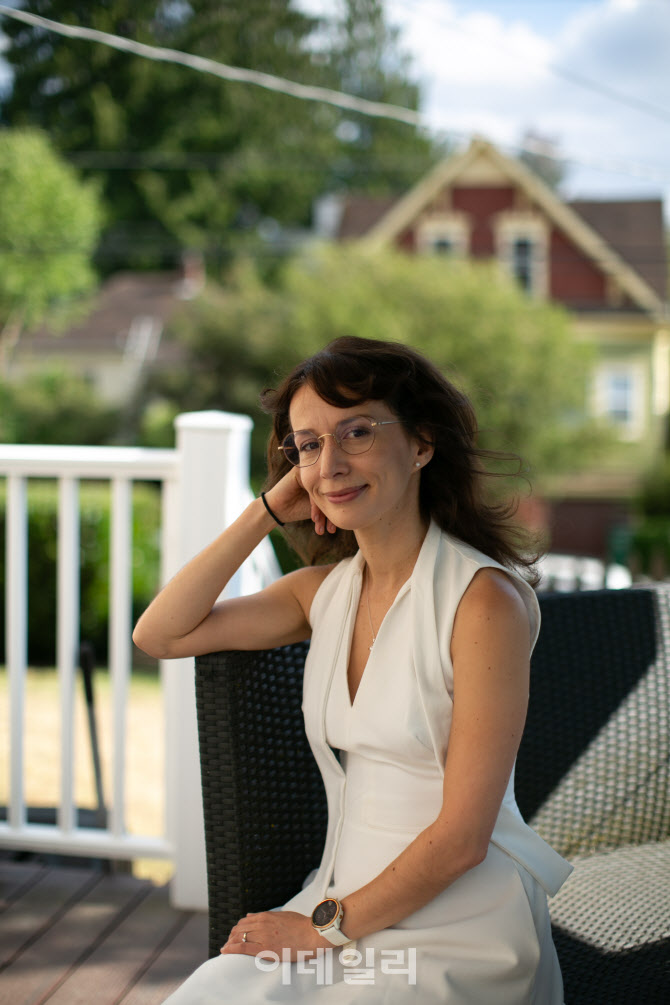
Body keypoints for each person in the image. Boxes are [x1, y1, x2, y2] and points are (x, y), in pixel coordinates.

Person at [133, 336, 572, 1004]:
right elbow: (160, 633)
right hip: (342, 903)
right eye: (308, 445)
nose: (331, 464)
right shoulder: (324, 594)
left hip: (458, 926)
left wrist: (321, 929)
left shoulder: (482, 602)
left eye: (357, 432)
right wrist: (266, 509)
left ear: (422, 443)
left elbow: (462, 839)